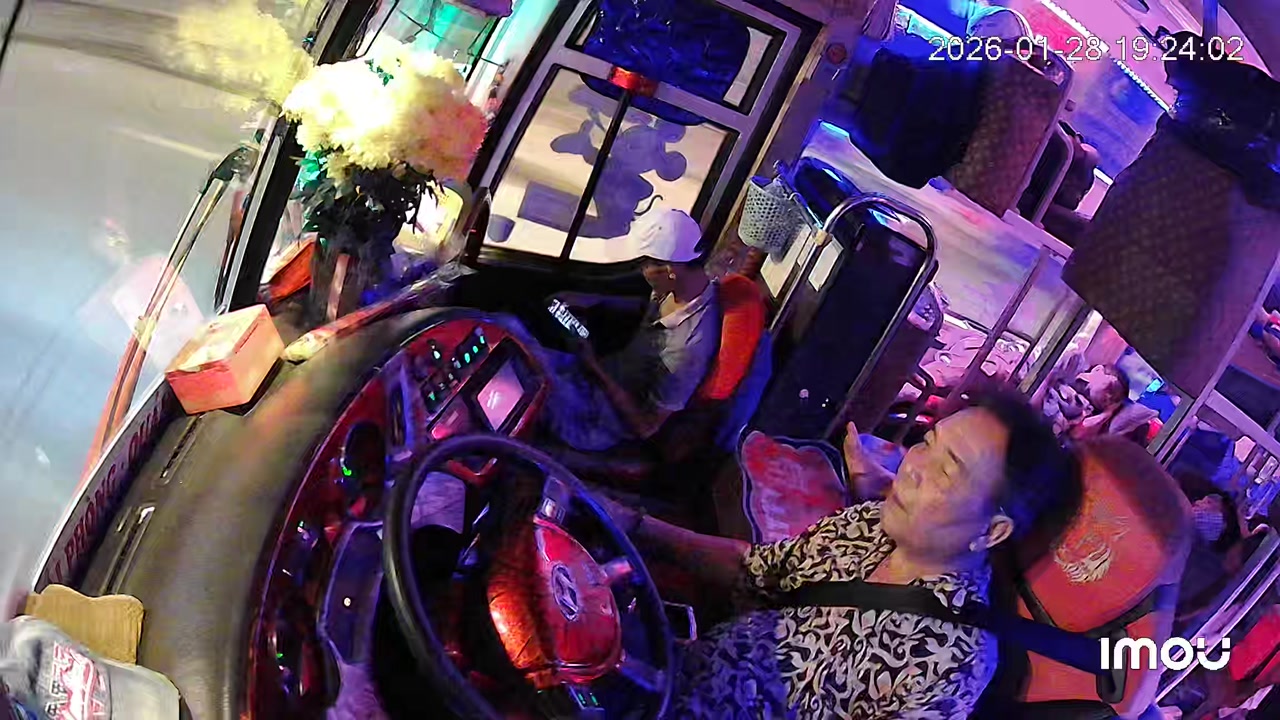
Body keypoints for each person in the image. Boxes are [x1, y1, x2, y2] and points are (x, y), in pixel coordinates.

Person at [601, 389, 1080, 718]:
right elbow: (754, 570)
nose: (912, 467)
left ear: (992, 531)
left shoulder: (952, 660)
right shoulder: (868, 523)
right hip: (670, 675)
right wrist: (634, 525)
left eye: (947, 472)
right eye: (926, 443)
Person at [539, 208, 721, 452]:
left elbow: (646, 427)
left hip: (597, 418)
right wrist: (594, 300)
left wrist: (594, 368)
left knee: (521, 383)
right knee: (509, 334)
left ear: (670, 270)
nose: (640, 271)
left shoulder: (686, 350)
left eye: (644, 264)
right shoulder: (681, 286)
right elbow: (648, 308)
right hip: (590, 375)